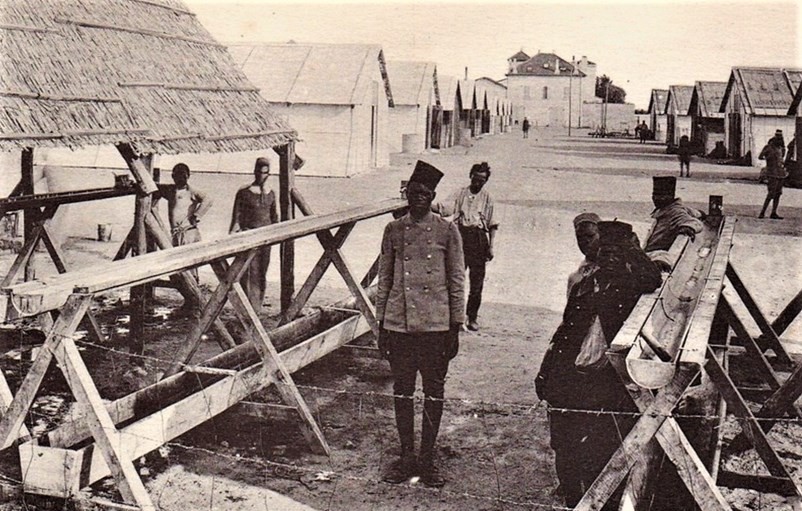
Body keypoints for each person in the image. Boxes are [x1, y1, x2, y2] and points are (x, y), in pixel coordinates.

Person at [535, 219, 662, 508]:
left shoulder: (629, 289)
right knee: (564, 446)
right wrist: (545, 372)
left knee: (599, 450)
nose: (611, 260)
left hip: (603, 383)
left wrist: (631, 249)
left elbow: (652, 277)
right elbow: (563, 332)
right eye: (606, 253)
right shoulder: (584, 285)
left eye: (618, 254)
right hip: (570, 376)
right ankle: (572, 500)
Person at [376, 160, 464, 488]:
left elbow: (457, 280)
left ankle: (427, 460)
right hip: (400, 325)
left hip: (435, 327)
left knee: (434, 392)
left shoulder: (447, 229)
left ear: (433, 195)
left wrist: (455, 325)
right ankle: (406, 457)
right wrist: (382, 323)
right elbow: (385, 279)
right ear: (407, 194)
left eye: (425, 194)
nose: (418, 199)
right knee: (401, 391)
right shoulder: (393, 230)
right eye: (413, 193)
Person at [434, 161, 499, 331]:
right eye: (475, 179)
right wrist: (426, 201)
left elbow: (492, 224)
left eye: (482, 180)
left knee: (477, 284)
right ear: (470, 176)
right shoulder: (460, 193)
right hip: (460, 238)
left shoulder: (488, 198)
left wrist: (491, 247)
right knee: (454, 280)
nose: (478, 183)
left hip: (479, 241)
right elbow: (445, 208)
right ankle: (453, 317)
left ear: (486, 181)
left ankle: (472, 317)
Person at [229, 157, 279, 310]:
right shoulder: (244, 192)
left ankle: (257, 306)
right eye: (259, 172)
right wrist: (232, 237)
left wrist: (277, 236)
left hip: (266, 241)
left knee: (262, 272)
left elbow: (274, 217)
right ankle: (247, 307)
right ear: (254, 172)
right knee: (248, 273)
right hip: (248, 238)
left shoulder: (271, 194)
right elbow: (236, 217)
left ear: (268, 174)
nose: (262, 176)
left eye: (265, 173)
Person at [164, 163, 213, 283]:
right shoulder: (171, 191)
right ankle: (187, 295)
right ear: (173, 176)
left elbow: (208, 199)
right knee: (177, 266)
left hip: (188, 232)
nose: (181, 179)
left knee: (190, 265)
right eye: (177, 176)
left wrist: (197, 215)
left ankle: (193, 295)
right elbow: (156, 189)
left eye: (184, 176)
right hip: (177, 233)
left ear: (188, 177)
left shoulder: (191, 191)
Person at [643, 176, 704, 253]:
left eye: (662, 195)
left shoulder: (675, 212)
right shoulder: (667, 208)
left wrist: (688, 227)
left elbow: (695, 222)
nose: (656, 198)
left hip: (658, 255)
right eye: (654, 194)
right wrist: (700, 213)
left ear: (671, 196)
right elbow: (692, 212)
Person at [758, 134, 788, 219]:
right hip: (772, 173)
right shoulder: (768, 147)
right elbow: (760, 156)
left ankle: (773, 212)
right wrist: (768, 159)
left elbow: (782, 159)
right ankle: (762, 212)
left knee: (778, 194)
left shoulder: (781, 148)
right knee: (771, 194)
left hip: (780, 173)